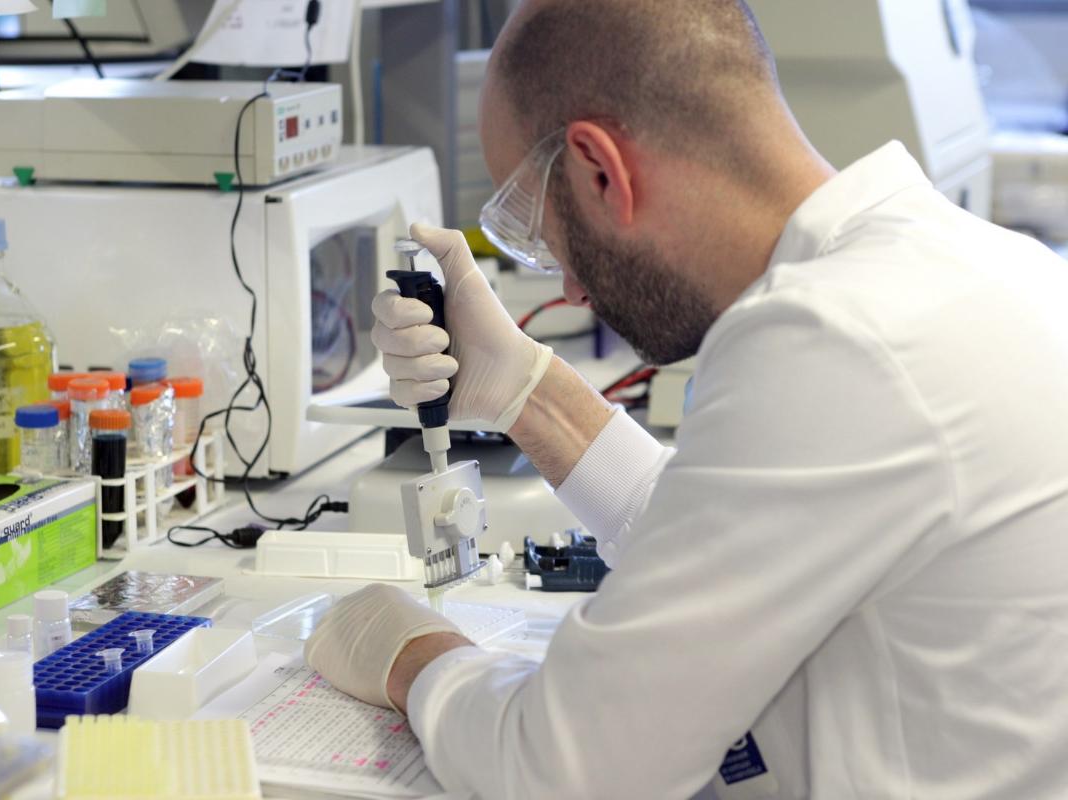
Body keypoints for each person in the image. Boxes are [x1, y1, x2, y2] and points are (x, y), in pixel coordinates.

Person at [305, 1, 1068, 797]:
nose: (570, 289)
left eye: (544, 237)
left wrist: (414, 657)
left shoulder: (836, 339)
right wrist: (527, 392)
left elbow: (571, 770)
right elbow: (734, 538)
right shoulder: (971, 265)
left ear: (602, 170)